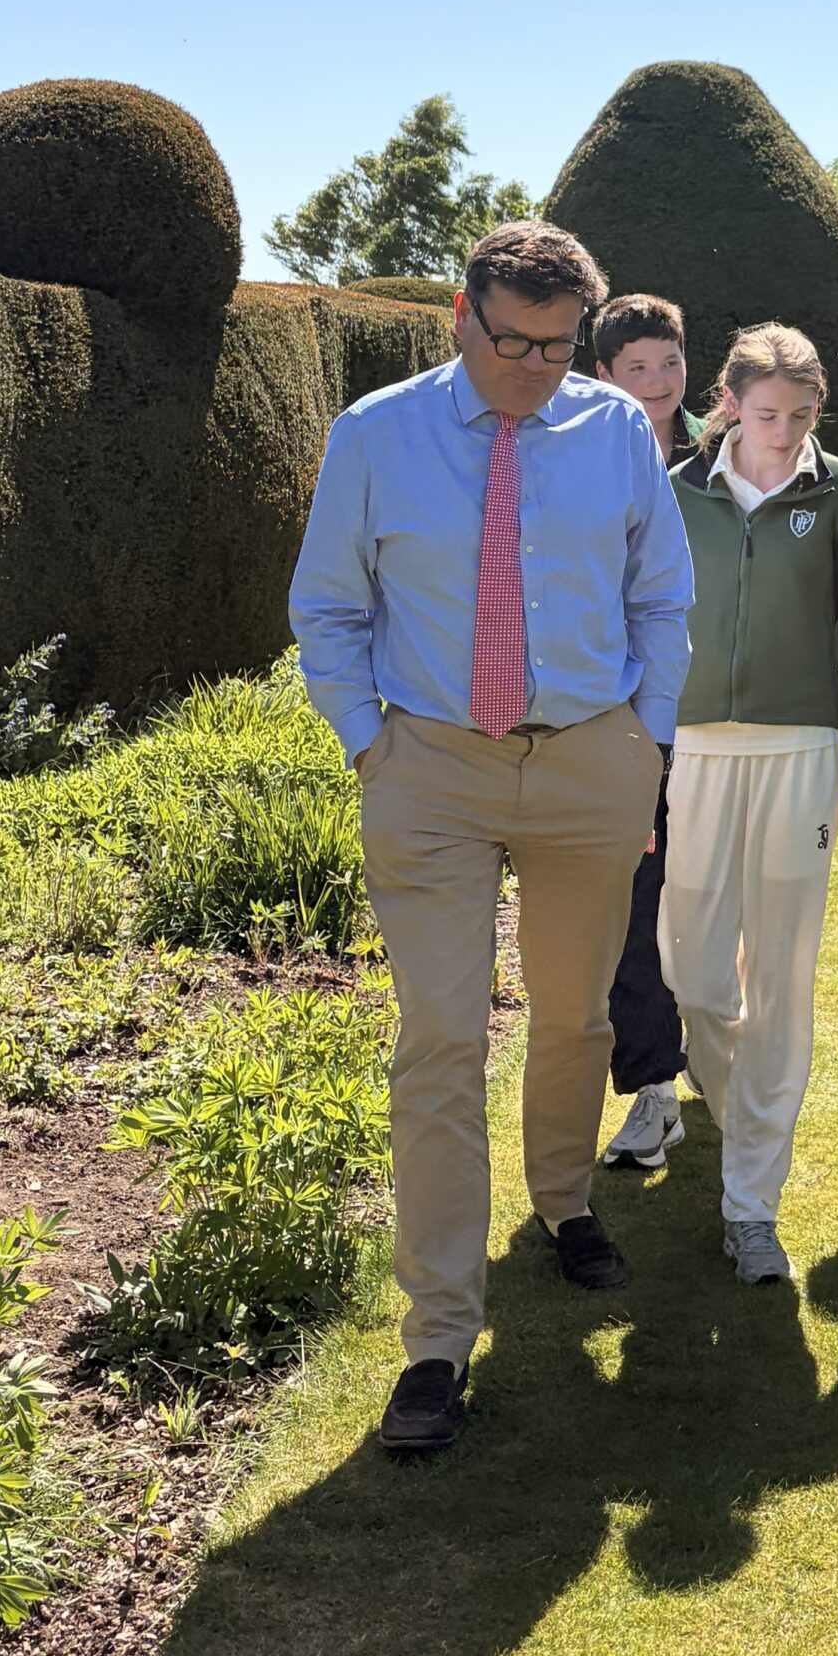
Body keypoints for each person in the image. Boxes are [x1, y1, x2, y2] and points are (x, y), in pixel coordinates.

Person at [290, 220, 692, 1452]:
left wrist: (647, 741)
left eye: (557, 345)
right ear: (458, 314)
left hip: (588, 765)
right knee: (442, 1039)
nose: (530, 367)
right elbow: (328, 603)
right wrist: (371, 740)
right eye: (511, 340)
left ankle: (564, 1204)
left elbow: (660, 593)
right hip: (433, 770)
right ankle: (436, 1337)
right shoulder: (374, 436)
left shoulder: (613, 428)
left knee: (574, 1016)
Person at [662, 323, 838, 1285]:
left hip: (804, 746)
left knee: (785, 979)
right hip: (695, 747)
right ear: (728, 406)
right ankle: (740, 1106)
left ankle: (752, 1205)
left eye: (803, 416)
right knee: (695, 973)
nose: (785, 433)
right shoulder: (675, 493)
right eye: (767, 415)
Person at [589, 293, 704, 1172]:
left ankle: (709, 1049)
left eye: (669, 364)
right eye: (638, 368)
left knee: (707, 893)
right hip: (624, 719)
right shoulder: (586, 455)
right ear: (605, 375)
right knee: (636, 896)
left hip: (721, 717)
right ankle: (652, 1088)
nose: (659, 383)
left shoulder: (729, 451)